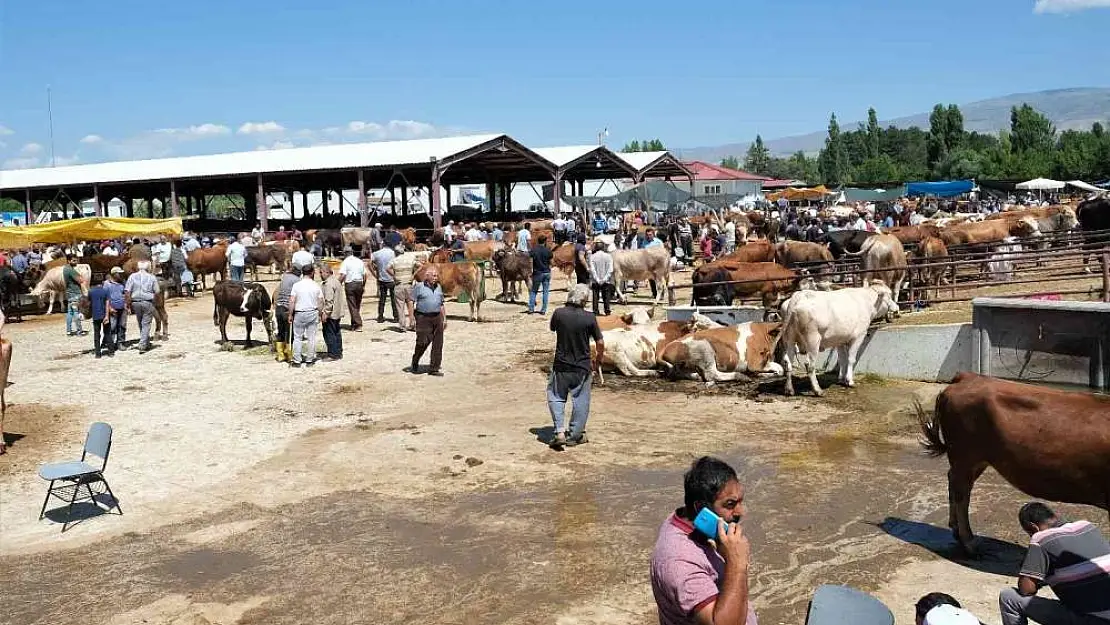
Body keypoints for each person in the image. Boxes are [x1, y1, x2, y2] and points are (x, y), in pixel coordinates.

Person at [650, 456, 756, 625]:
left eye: (740, 502)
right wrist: (737, 563)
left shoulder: (690, 523)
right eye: (730, 504)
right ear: (700, 509)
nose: (740, 512)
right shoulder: (679, 560)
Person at [1000, 501, 1110, 625]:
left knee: (1008, 597)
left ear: (1033, 527)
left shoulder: (1040, 538)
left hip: (1094, 620)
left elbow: (1027, 589)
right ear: (1054, 516)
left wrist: (1034, 573)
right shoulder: (1087, 526)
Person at [547, 284, 604, 449]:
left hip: (561, 365)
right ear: (585, 299)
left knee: (556, 396)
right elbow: (600, 342)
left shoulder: (559, 313)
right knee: (581, 401)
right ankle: (574, 436)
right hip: (582, 366)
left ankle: (559, 432)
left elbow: (553, 328)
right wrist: (598, 359)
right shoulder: (590, 317)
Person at [407, 266, 445, 376]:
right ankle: (415, 360)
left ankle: (434, 368)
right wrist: (411, 318)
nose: (436, 278)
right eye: (434, 275)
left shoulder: (439, 287)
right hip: (423, 317)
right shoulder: (419, 287)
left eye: (437, 276)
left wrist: (445, 319)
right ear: (426, 276)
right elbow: (410, 301)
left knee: (438, 343)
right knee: (422, 341)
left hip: (437, 317)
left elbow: (441, 304)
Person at [288, 263, 324, 367]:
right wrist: (320, 313)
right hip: (312, 312)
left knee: (297, 337)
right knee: (311, 337)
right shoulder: (316, 285)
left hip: (299, 313)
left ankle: (297, 360)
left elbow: (292, 301)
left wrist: (290, 314)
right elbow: (320, 301)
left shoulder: (297, 285)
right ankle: (309, 359)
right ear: (312, 272)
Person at [124, 261, 159, 353]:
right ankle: (142, 345)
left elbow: (127, 291)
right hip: (147, 301)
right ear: (148, 268)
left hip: (135, 302)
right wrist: (155, 302)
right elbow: (157, 291)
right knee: (146, 324)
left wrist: (127, 304)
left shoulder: (132, 276)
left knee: (141, 323)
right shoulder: (152, 277)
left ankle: (146, 342)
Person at [390, 246, 423, 332]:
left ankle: (402, 326)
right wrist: (413, 275)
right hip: (409, 284)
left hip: (399, 285)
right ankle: (412, 324)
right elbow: (420, 266)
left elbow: (387, 268)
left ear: (396, 252)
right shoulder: (410, 259)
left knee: (400, 306)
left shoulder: (394, 260)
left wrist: (394, 276)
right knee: (410, 304)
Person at [272, 265, 299, 362]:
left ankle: (280, 355)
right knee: (289, 332)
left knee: (280, 331)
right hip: (287, 309)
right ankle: (289, 355)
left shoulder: (285, 277)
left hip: (279, 307)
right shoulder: (297, 280)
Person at [319, 263, 346, 361]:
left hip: (331, 314)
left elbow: (329, 300)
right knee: (336, 332)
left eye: (321, 272)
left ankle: (332, 354)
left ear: (326, 272)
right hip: (337, 312)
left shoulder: (328, 284)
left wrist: (325, 313)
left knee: (328, 333)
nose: (320, 275)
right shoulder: (336, 281)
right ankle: (338, 352)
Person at [338, 247, 366, 331]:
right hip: (359, 283)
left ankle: (358, 324)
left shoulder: (345, 262)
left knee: (352, 306)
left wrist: (336, 284)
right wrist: (363, 285)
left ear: (346, 253)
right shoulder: (359, 261)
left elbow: (343, 275)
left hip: (350, 284)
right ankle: (354, 324)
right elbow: (365, 275)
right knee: (357, 305)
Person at [372, 243, 398, 323]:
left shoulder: (376, 253)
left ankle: (380, 316)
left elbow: (369, 263)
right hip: (392, 279)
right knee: (394, 299)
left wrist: (375, 274)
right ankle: (396, 317)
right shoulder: (393, 253)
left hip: (382, 279)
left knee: (382, 299)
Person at [528, 234, 553, 315]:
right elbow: (551, 262)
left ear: (538, 241)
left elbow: (530, 260)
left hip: (537, 272)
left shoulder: (534, 250)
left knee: (533, 291)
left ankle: (531, 309)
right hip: (546, 272)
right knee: (545, 292)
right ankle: (543, 310)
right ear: (545, 241)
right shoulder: (548, 250)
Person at [104, 267, 127, 352]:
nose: (121, 275)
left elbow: (125, 294)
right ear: (114, 274)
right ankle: (111, 343)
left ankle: (120, 342)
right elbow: (104, 298)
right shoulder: (107, 284)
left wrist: (126, 305)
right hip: (112, 308)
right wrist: (109, 308)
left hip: (122, 308)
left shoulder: (123, 283)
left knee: (122, 326)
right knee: (112, 327)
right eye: (119, 273)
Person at [63, 255, 86, 337]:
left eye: (76, 260)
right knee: (76, 312)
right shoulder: (70, 270)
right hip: (75, 293)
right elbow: (80, 280)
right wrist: (80, 276)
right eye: (74, 260)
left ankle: (69, 331)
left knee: (70, 313)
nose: (76, 262)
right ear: (68, 261)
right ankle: (79, 331)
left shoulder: (65, 269)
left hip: (69, 293)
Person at [590, 241, 615, 316]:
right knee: (606, 296)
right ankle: (607, 311)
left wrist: (597, 279)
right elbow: (610, 270)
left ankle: (595, 311)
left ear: (596, 248)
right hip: (606, 281)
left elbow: (592, 270)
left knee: (595, 296)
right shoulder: (608, 256)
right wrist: (604, 279)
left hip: (595, 280)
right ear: (603, 247)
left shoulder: (592, 256)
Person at [87, 277, 110, 358]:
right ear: (102, 282)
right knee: (107, 333)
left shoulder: (90, 292)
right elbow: (107, 304)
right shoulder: (105, 291)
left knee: (97, 335)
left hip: (95, 315)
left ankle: (98, 353)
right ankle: (111, 352)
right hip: (104, 314)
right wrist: (107, 315)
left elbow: (88, 302)